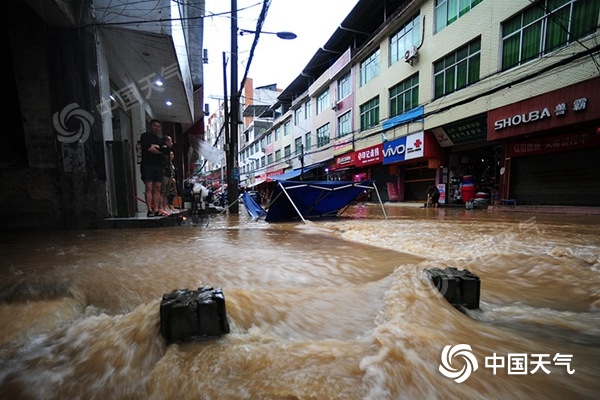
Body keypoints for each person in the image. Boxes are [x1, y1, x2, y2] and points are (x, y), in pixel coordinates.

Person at [140, 119, 164, 217]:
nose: (156, 128)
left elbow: (165, 151)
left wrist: (156, 148)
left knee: (157, 187)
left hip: (158, 166)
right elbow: (148, 148)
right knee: (149, 186)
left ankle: (156, 209)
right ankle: (149, 209)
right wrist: (158, 149)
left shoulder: (160, 140)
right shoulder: (145, 136)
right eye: (154, 126)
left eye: (158, 126)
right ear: (150, 126)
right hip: (147, 165)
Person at [159, 136, 175, 214]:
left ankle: (165, 206)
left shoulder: (168, 152)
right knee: (162, 191)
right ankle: (161, 207)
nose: (171, 143)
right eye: (170, 141)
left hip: (168, 173)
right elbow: (164, 163)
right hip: (164, 173)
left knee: (166, 192)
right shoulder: (163, 150)